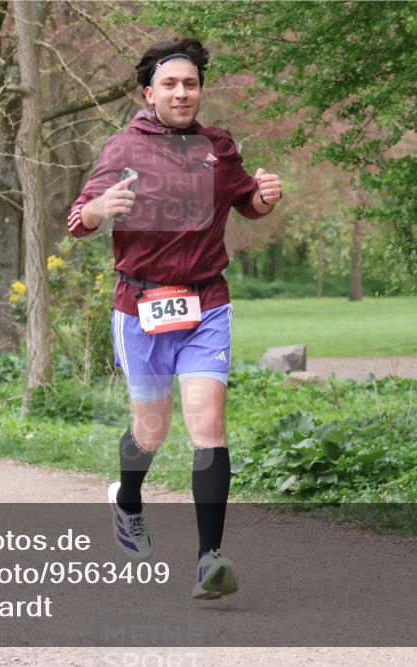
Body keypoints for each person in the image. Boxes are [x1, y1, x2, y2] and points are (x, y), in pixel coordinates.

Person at [67, 38, 282, 599]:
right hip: (140, 306)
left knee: (207, 424)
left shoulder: (218, 146)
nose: (181, 92)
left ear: (200, 90)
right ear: (149, 92)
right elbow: (77, 220)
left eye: (190, 83)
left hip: (207, 301)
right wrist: (98, 209)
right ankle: (128, 500)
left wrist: (265, 198)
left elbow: (247, 205)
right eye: (170, 84)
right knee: (152, 429)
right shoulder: (122, 149)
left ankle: (209, 559)